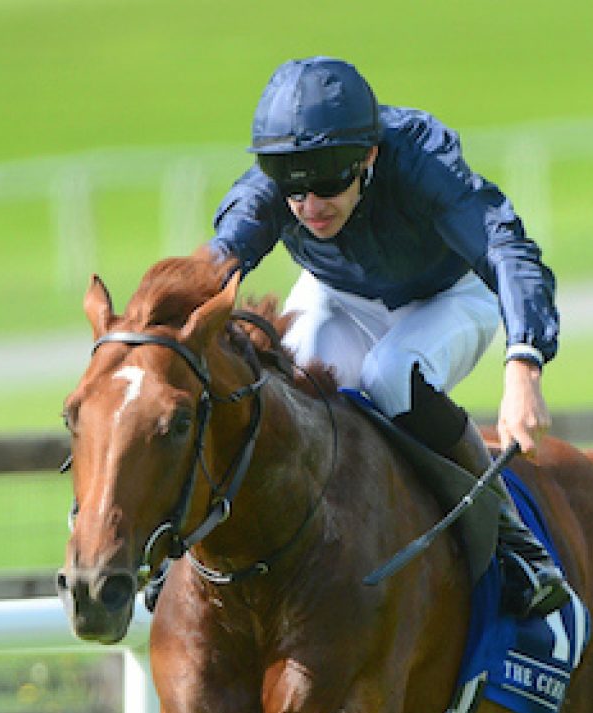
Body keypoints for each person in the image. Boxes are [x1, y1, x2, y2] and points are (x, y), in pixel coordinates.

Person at [208, 56, 571, 617]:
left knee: (389, 376)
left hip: (447, 296)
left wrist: (524, 364)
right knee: (290, 392)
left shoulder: (420, 156)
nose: (309, 207)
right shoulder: (275, 187)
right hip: (336, 296)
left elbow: (506, 249)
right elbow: (213, 267)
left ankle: (514, 544)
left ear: (369, 156)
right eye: (293, 191)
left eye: (328, 184)